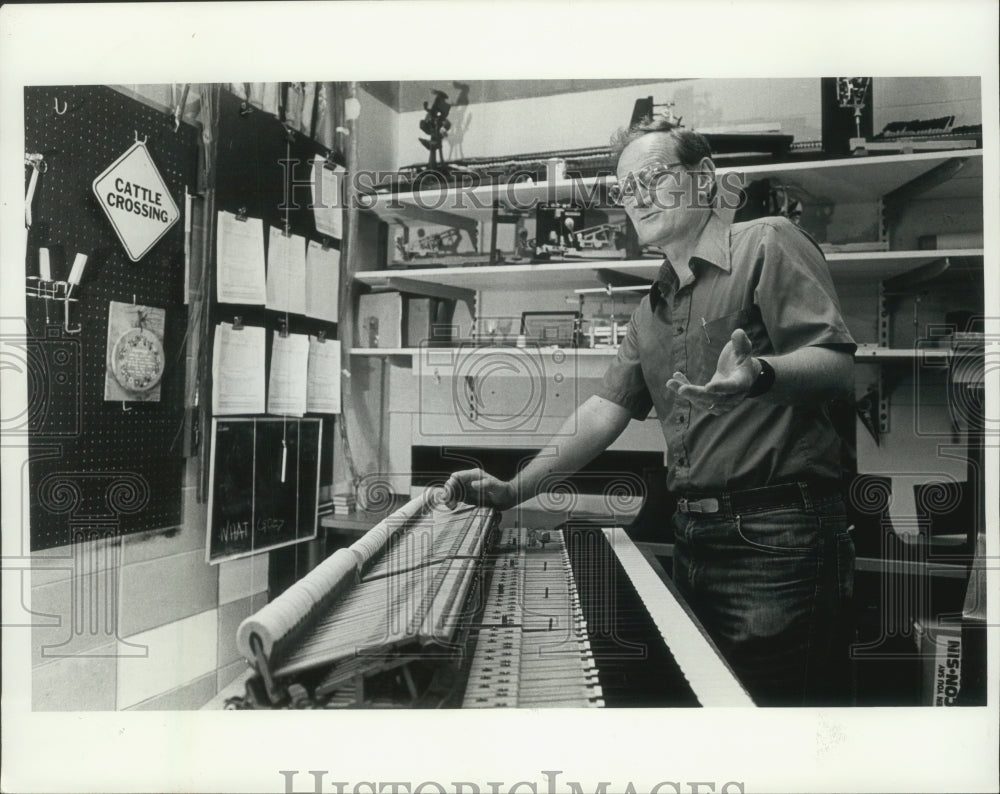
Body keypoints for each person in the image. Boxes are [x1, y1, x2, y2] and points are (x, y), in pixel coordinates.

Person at [444, 118, 857, 706]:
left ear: (703, 178)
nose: (637, 195)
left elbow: (837, 364)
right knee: (714, 714)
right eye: (625, 187)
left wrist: (757, 376)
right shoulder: (653, 307)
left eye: (653, 177)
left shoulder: (767, 241)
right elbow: (601, 414)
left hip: (778, 534)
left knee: (774, 728)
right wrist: (514, 490)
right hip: (695, 534)